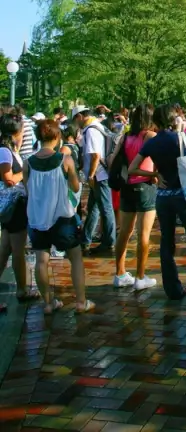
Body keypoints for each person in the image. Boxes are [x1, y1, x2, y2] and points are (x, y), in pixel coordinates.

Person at [128, 104, 186, 303]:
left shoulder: (152, 143)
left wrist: (154, 174)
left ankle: (173, 290)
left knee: (167, 243)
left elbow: (132, 169)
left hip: (164, 197)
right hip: (185, 195)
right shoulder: (181, 138)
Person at [23, 120, 94, 314]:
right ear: (57, 136)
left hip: (37, 218)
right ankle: (81, 302)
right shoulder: (65, 160)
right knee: (76, 257)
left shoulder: (28, 162)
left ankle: (47, 303)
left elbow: (28, 187)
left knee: (41, 260)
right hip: (63, 218)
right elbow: (76, 187)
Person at [112, 104, 158, 291]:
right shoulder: (150, 136)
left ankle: (120, 273)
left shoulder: (126, 137)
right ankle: (140, 276)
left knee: (124, 231)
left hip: (126, 186)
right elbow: (159, 160)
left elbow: (112, 159)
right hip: (145, 185)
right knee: (144, 234)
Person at [0, 112, 39, 311]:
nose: (24, 134)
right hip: (14, 205)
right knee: (17, 250)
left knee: (5, 249)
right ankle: (22, 289)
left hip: (12, 206)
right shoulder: (5, 152)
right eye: (23, 130)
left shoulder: (9, 150)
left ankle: (22, 289)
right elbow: (7, 178)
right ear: (15, 132)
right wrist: (23, 172)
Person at [73, 106, 116, 255]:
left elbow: (95, 155)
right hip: (99, 175)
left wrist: (90, 176)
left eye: (75, 119)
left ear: (79, 116)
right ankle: (86, 240)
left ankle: (109, 242)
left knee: (105, 209)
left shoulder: (91, 130)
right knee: (94, 208)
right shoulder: (96, 126)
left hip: (99, 175)